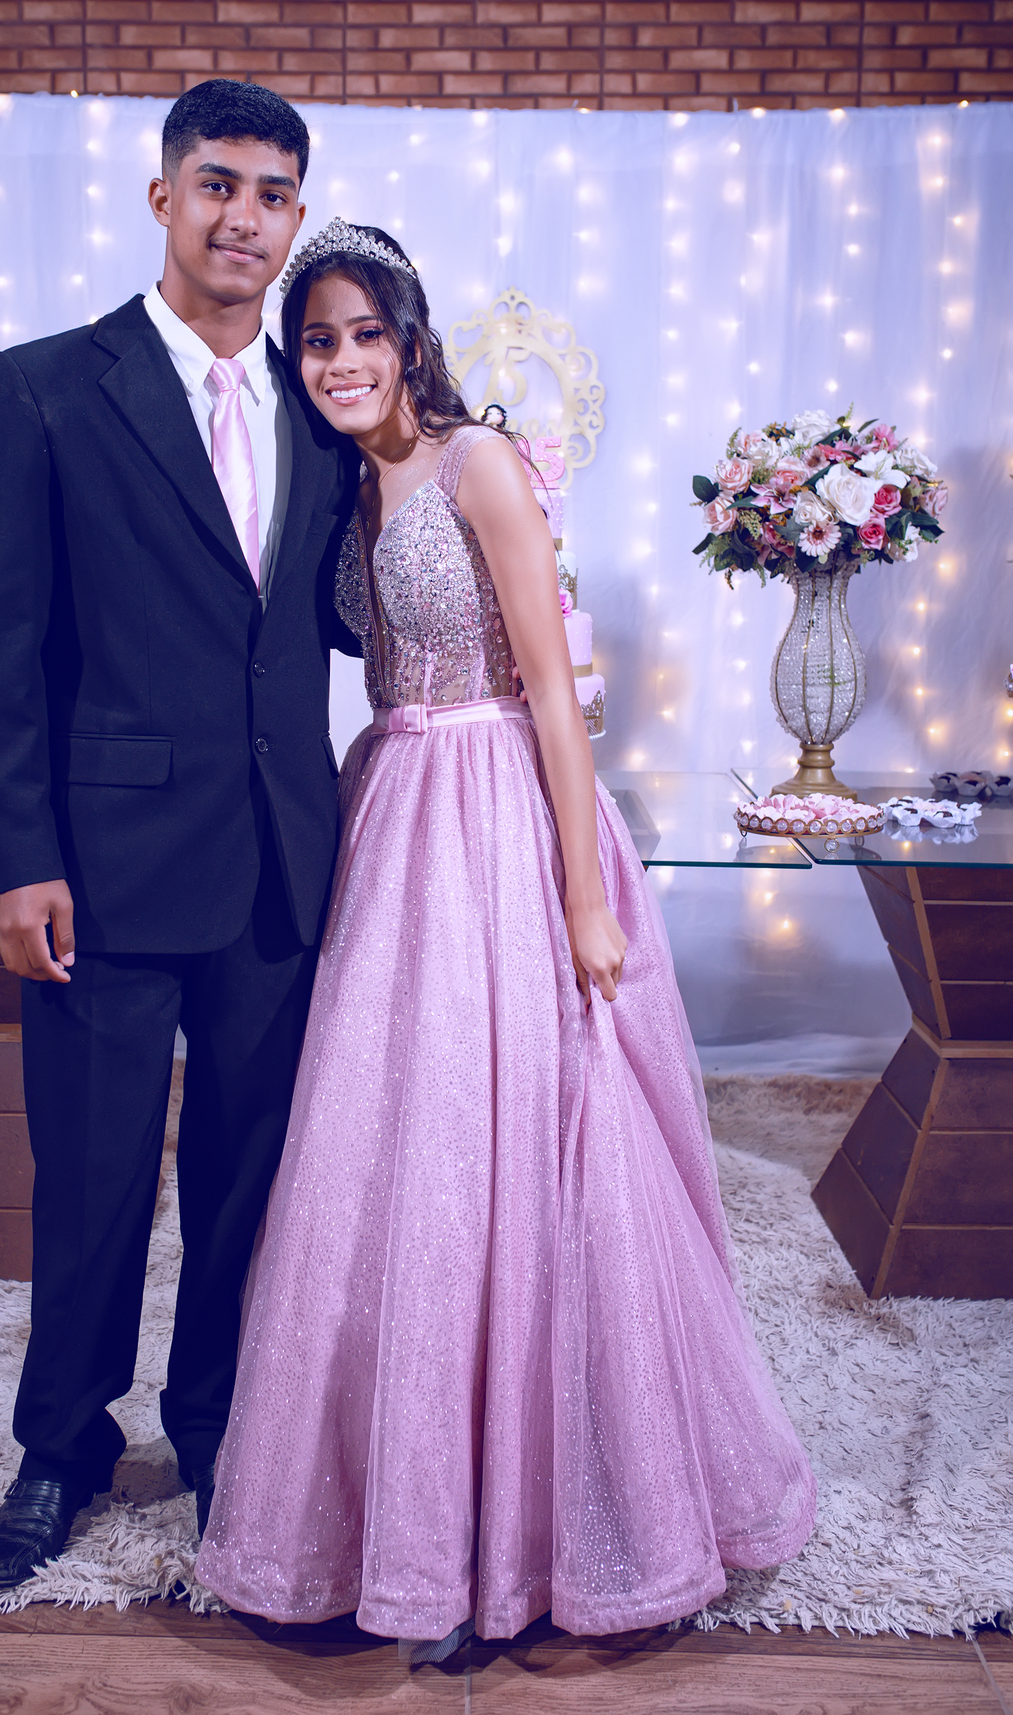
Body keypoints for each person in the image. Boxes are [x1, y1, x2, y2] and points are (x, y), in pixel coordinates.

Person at [194, 221, 817, 1652]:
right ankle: (405, 1525)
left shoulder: (479, 463)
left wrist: (586, 896)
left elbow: (550, 689)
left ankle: (537, 1534)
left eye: (365, 334)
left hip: (495, 811)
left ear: (411, 340)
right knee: (390, 1152)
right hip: (391, 807)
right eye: (318, 341)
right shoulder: (338, 483)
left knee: (520, 1143)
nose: (342, 361)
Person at [0, 82, 361, 1590]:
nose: (244, 217)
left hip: (281, 867)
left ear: (297, 217)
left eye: (273, 193)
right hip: (102, 876)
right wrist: (17, 860)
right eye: (218, 184)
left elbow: (332, 617)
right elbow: (1, 646)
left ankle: (218, 1434)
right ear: (164, 197)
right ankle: (60, 1447)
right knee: (94, 1181)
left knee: (251, 1185)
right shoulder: (52, 387)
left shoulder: (325, 403)